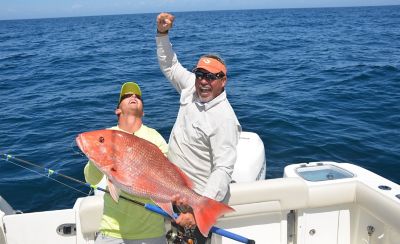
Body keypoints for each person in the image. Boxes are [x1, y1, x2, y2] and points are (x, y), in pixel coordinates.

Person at [156, 13, 241, 243]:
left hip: (195, 207)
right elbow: (170, 65)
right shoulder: (190, 89)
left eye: (212, 77)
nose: (203, 81)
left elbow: (223, 169)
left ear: (223, 81)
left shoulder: (224, 118)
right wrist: (162, 34)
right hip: (173, 195)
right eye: (200, 74)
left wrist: (196, 211)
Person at [84, 82, 168, 244]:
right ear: (118, 110)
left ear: (143, 112)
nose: (133, 96)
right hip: (111, 231)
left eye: (137, 96)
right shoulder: (105, 136)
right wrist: (97, 155)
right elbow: (91, 180)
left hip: (151, 232)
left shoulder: (155, 137)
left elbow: (167, 174)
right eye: (127, 96)